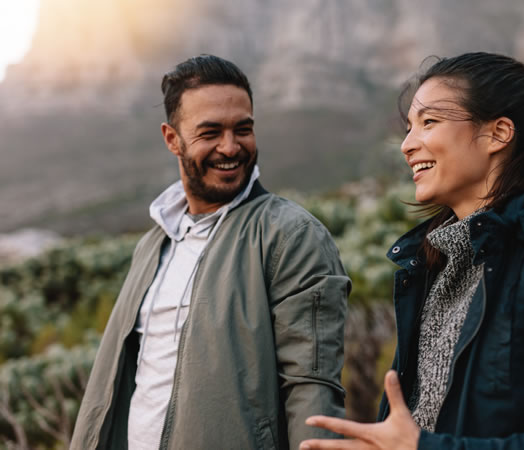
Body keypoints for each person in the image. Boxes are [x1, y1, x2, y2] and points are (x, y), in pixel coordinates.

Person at [300, 52, 524, 449]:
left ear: (498, 133)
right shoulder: (434, 265)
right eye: (409, 127)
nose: (408, 145)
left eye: (429, 122)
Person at [71, 55, 350, 450]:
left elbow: (313, 391)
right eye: (210, 132)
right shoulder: (154, 242)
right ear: (172, 139)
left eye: (243, 129)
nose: (230, 147)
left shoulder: (291, 236)